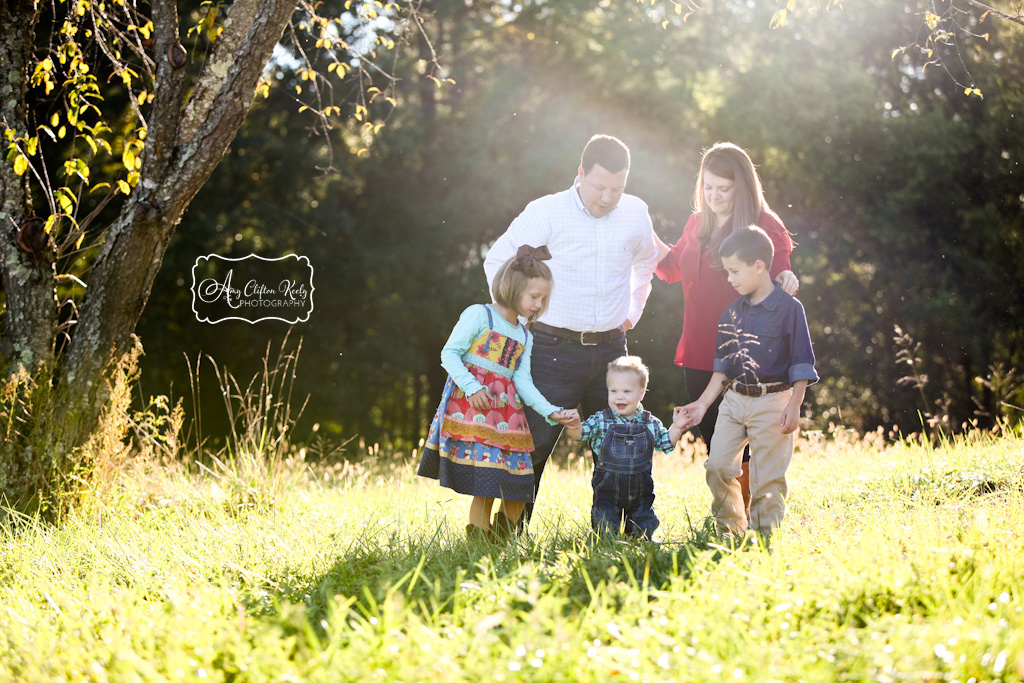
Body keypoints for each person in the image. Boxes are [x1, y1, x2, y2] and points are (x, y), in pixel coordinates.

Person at [483, 134, 662, 523]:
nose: (606, 197)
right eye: (598, 186)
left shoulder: (635, 214)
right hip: (551, 348)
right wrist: (516, 316)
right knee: (533, 445)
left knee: (620, 444)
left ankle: (618, 533)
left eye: (617, 188)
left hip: (614, 350)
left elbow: (646, 263)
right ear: (580, 173)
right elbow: (498, 260)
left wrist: (633, 307)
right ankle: (507, 535)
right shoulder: (547, 212)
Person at [655, 142, 799, 517]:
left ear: (743, 187)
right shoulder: (695, 224)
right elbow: (671, 267)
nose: (714, 197)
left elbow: (780, 272)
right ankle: (731, 522)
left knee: (749, 444)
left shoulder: (764, 225)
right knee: (716, 444)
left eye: (724, 189)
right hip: (700, 351)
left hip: (750, 353)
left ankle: (758, 520)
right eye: (708, 188)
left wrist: (786, 277)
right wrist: (639, 235)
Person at [418, 246, 579, 540]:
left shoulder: (524, 334)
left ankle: (502, 541)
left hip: (508, 416)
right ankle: (478, 545)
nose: (538, 304)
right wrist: (472, 386)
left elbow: (524, 382)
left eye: (543, 299)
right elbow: (449, 353)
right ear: (513, 287)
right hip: (476, 410)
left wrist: (549, 410)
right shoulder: (480, 315)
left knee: (521, 480)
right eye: (534, 297)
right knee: (487, 483)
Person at [678, 225, 818, 539]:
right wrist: (703, 403)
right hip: (734, 399)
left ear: (759, 267)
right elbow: (723, 367)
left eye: (735, 272)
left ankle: (764, 537)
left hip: (773, 399)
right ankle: (731, 529)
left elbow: (801, 362)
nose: (730, 280)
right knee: (717, 466)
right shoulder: (731, 313)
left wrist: (794, 405)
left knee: (766, 477)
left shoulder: (790, 310)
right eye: (727, 272)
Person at [563, 356, 687, 539]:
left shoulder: (650, 422)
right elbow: (580, 435)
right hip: (608, 489)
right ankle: (606, 546)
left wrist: (677, 427)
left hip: (641, 491)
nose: (619, 396)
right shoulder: (601, 419)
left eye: (627, 391)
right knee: (605, 523)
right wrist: (573, 424)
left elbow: (665, 443)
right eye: (613, 391)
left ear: (642, 393)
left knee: (643, 523)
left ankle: (641, 542)